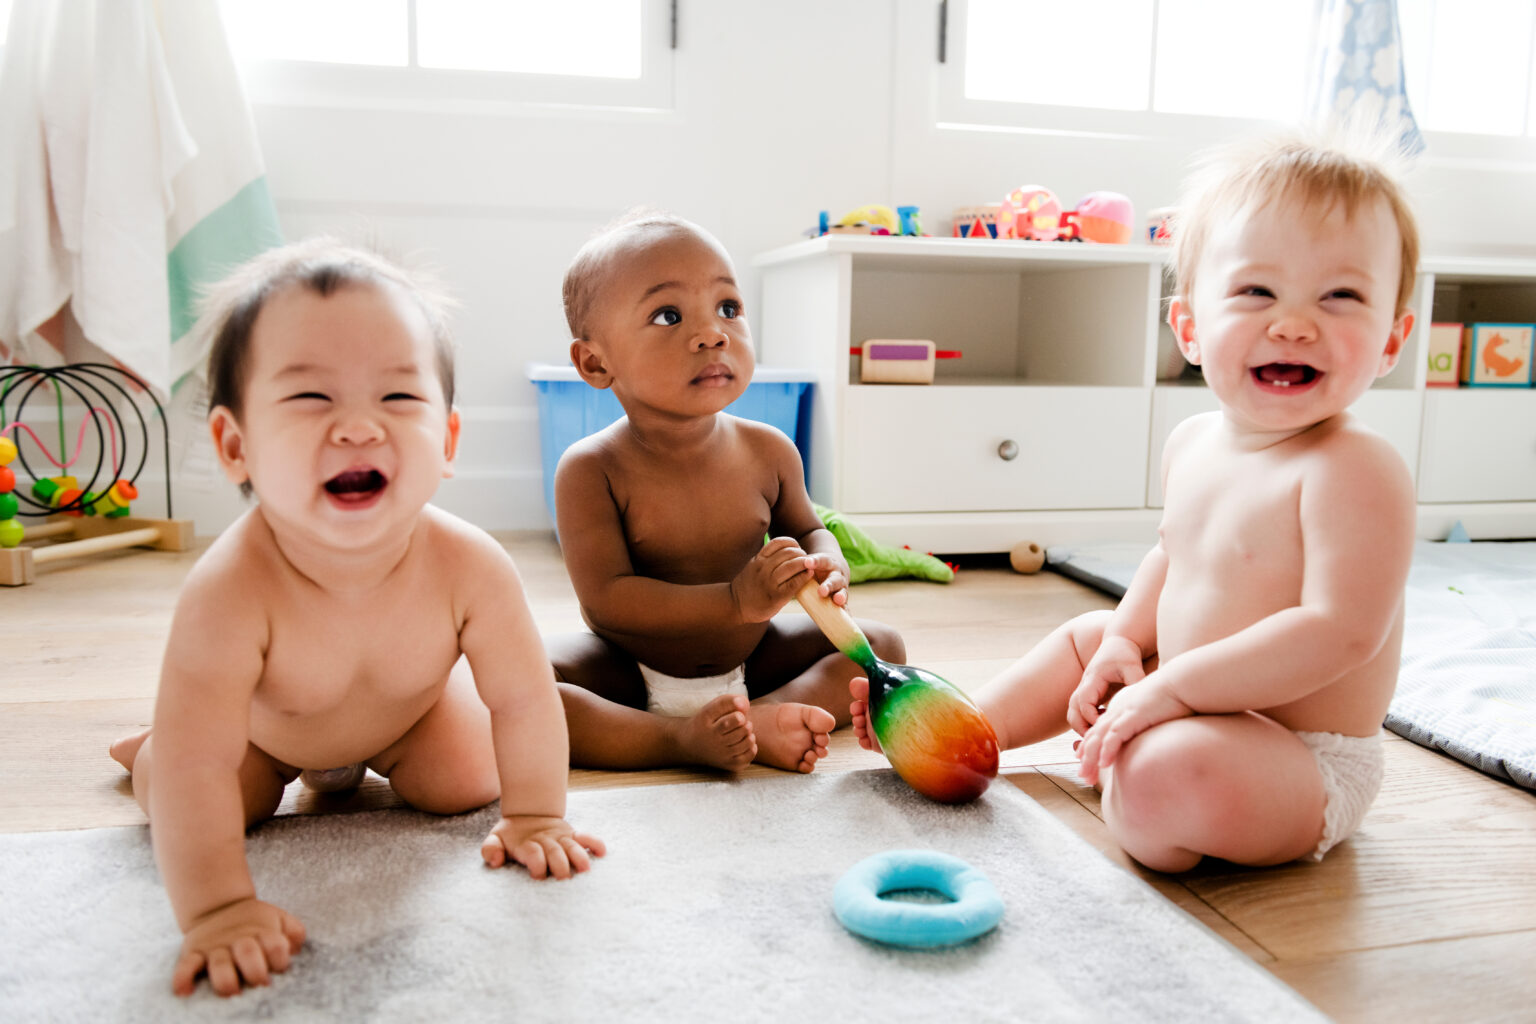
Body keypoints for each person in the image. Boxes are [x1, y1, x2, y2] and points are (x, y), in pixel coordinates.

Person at [855, 133, 1419, 871]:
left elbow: (1340, 631)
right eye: (1256, 292)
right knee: (1086, 635)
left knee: (1163, 772)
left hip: (1298, 756)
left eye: (1340, 295)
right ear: (1188, 328)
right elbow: (1172, 556)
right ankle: (959, 736)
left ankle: (1141, 776)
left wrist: (1176, 689)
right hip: (1190, 697)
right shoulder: (1191, 442)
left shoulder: (1356, 468)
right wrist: (1125, 643)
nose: (1293, 323)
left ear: (1391, 340)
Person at [110, 239, 604, 998]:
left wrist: (537, 814)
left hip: (408, 721)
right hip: (263, 737)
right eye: (311, 398)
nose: (358, 428)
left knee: (469, 776)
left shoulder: (470, 565)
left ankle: (397, 759)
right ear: (235, 445)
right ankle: (153, 741)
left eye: (398, 398)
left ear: (446, 441)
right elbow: (196, 771)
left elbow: (523, 697)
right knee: (202, 788)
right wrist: (217, 909)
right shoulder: (228, 593)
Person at [550, 210, 905, 774]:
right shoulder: (591, 468)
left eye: (728, 308)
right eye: (668, 315)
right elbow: (607, 599)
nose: (713, 332)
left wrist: (826, 563)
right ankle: (675, 738)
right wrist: (735, 601)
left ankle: (762, 717)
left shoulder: (769, 449)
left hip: (751, 653)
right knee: (526, 686)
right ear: (596, 362)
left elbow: (808, 527)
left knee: (882, 648)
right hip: (630, 668)